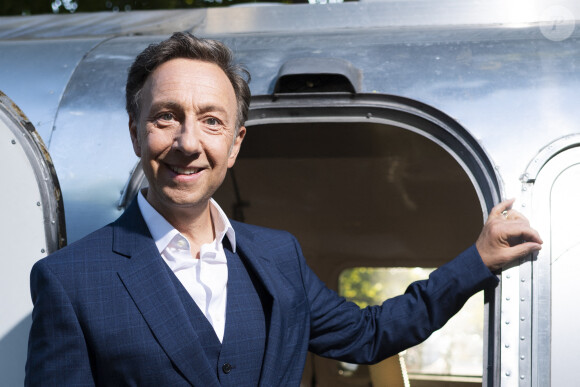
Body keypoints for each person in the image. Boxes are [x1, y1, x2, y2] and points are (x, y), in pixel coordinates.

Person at [25, 32, 542, 386]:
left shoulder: (278, 256)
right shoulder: (69, 281)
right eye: (166, 117)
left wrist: (476, 260)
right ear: (135, 132)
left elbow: (370, 334)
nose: (188, 142)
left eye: (211, 121)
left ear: (235, 143)